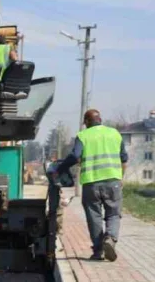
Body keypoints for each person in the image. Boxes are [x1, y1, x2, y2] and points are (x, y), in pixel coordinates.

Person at [54, 109, 128, 261]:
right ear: (100, 119)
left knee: (94, 217)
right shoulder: (115, 133)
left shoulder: (83, 135)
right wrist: (121, 177)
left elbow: (75, 155)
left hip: (91, 183)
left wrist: (60, 169)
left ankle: (98, 251)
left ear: (87, 122)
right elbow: (124, 159)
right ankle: (110, 238)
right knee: (113, 213)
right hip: (113, 181)